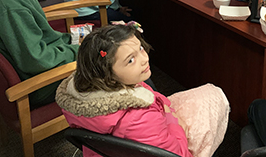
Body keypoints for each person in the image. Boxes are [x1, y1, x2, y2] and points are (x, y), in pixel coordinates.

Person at [56, 24, 229, 157]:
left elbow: (149, 93)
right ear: (107, 74)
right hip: (158, 135)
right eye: (130, 60)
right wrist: (174, 122)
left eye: (140, 48)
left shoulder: (83, 94)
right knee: (214, 97)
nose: (144, 58)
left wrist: (165, 107)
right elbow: (178, 154)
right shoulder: (140, 118)